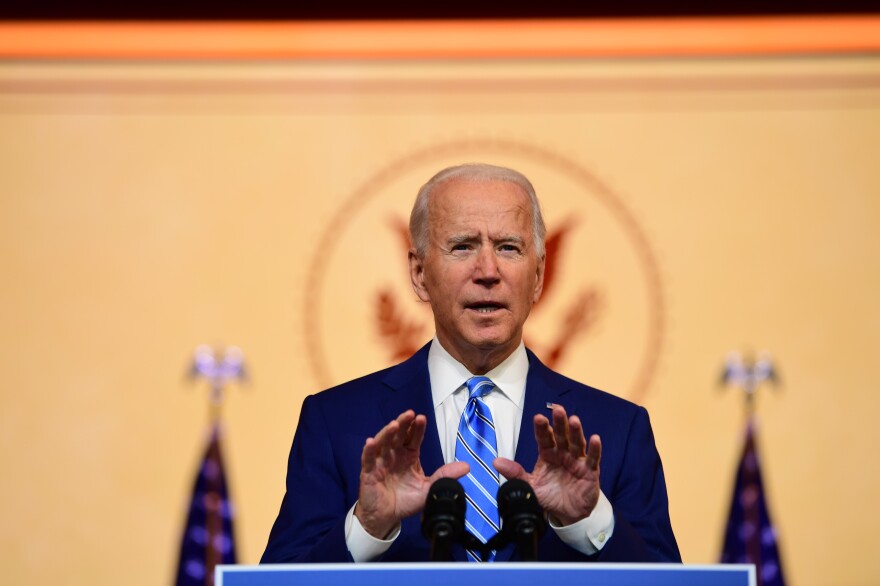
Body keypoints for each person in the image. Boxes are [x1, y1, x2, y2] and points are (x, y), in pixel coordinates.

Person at [261, 163, 680, 563]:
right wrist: (366, 528)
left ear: (537, 277)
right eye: (463, 246)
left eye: (508, 247)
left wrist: (590, 521)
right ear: (420, 274)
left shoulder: (617, 431)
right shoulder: (336, 423)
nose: (487, 271)